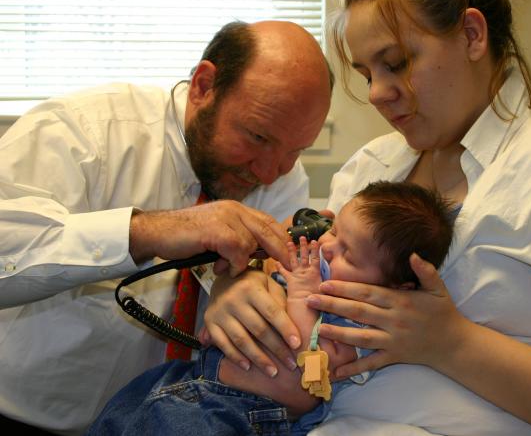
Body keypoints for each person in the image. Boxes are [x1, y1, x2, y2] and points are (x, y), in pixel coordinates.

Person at [201, 0, 531, 435]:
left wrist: (452, 344)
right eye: (366, 74)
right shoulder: (371, 166)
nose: (378, 93)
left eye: (397, 63)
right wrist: (239, 287)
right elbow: (301, 280)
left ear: (471, 34)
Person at [0, 20, 332, 434]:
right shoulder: (82, 132)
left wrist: (241, 278)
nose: (270, 173)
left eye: (295, 150)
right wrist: (144, 233)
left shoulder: (283, 175)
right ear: (204, 86)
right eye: (257, 136)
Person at [86, 181, 455, 436]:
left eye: (348, 254)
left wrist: (300, 294)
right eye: (335, 231)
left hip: (240, 413)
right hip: (186, 380)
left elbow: (306, 375)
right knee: (115, 418)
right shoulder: (309, 267)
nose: (327, 247)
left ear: (395, 287)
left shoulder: (359, 325)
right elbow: (256, 278)